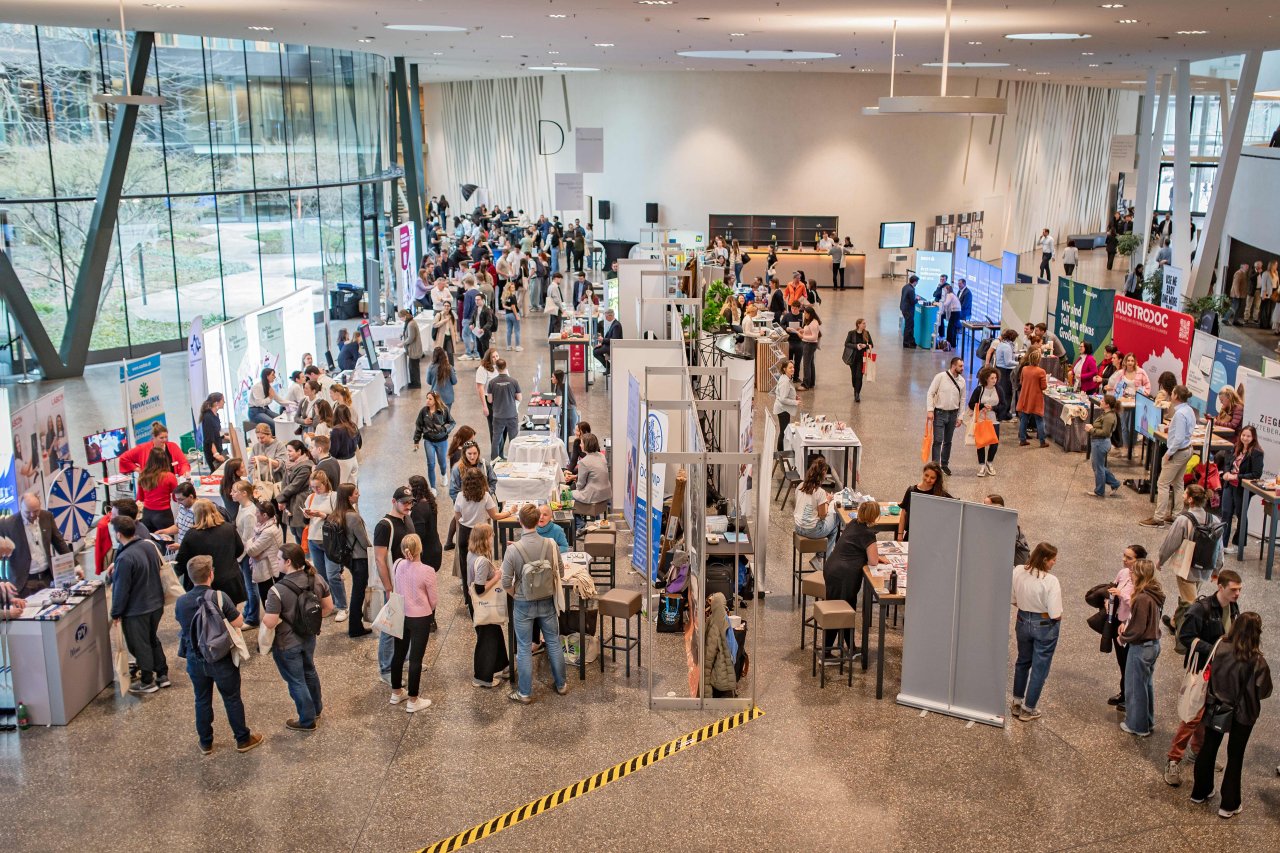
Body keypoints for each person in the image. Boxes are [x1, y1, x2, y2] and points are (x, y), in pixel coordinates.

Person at [1188, 611, 1273, 818]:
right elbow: (1264, 691)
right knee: (1235, 756)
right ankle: (1228, 804)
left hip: (1216, 706)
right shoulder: (1257, 660)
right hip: (1243, 714)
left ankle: (1200, 791)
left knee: (1209, 747)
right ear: (1256, 634)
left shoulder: (1220, 646)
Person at [175, 555, 262, 754]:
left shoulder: (181, 602)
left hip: (195, 658)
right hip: (220, 657)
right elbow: (239, 622)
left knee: (202, 699)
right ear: (211, 574)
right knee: (232, 698)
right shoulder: (219, 597)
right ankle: (242, 739)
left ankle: (206, 742)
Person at [1164, 570, 1244, 786]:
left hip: (1219, 672)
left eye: (1239, 589)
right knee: (1192, 716)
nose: (1237, 593)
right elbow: (1185, 637)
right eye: (1233, 589)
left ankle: (1198, 751)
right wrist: (1216, 650)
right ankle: (1173, 759)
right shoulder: (1201, 609)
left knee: (1207, 714)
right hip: (1201, 672)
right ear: (1221, 586)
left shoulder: (1233, 608)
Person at [263, 543, 334, 731]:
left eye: (278, 559)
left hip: (287, 643)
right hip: (309, 637)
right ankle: (317, 709)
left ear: (288, 562)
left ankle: (307, 720)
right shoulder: (316, 579)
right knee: (310, 671)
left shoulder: (276, 590)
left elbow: (270, 622)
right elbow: (328, 608)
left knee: (296, 680)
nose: (276, 562)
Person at [503, 504, 568, 704]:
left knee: (523, 647)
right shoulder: (551, 544)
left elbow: (506, 582)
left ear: (520, 522)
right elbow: (561, 573)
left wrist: (517, 594)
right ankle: (561, 684)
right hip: (547, 601)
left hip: (523, 603)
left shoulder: (513, 550)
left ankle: (524, 693)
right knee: (554, 642)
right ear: (538, 519)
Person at [109, 516, 169, 694]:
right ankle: (162, 674)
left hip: (137, 609)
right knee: (152, 639)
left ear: (119, 534)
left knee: (139, 644)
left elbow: (122, 589)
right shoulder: (148, 546)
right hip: (156, 603)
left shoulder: (125, 558)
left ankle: (147, 680)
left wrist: (116, 612)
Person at [1157, 484, 1223, 638]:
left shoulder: (1183, 519)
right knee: (1190, 596)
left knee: (1191, 603)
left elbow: (1170, 543)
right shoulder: (1214, 519)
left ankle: (1186, 636)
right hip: (1205, 566)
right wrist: (1217, 569)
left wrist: (1160, 560)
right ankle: (1174, 622)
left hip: (1186, 566)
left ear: (1191, 499)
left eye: (1185, 493)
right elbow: (1219, 547)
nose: (1183, 495)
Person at [819, 500, 883, 661]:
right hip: (844, 575)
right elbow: (873, 561)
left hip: (833, 569)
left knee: (847, 608)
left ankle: (851, 646)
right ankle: (826, 653)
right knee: (841, 610)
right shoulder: (868, 534)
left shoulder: (853, 523)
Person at [1011, 543, 1062, 722]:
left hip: (1022, 620)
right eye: (1053, 559)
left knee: (1022, 661)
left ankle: (1017, 701)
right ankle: (1028, 708)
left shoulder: (1017, 571)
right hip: (1044, 625)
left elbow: (1013, 598)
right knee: (1040, 668)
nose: (1054, 562)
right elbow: (1055, 613)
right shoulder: (1050, 581)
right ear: (1044, 559)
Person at [386, 534, 437, 713]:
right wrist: (427, 610)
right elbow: (433, 600)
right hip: (420, 617)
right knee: (415, 659)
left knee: (398, 654)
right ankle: (413, 700)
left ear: (403, 549)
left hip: (401, 614)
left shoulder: (397, 564)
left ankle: (396, 692)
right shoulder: (427, 571)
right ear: (420, 549)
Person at [372, 487, 416, 683]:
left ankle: (405, 658)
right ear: (393, 501)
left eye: (410, 502)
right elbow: (379, 559)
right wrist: (388, 588)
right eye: (404, 502)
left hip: (409, 581)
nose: (408, 505)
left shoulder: (407, 519)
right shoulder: (384, 525)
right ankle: (386, 669)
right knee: (390, 628)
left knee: (408, 624)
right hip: (394, 585)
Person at [1118, 558, 1164, 737]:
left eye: (1134, 572)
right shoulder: (1154, 593)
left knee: (1135, 687)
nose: (1130, 574)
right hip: (1153, 645)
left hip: (1141, 647)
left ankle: (1137, 725)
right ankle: (1147, 720)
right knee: (1146, 685)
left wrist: (1123, 637)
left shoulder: (1142, 598)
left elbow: (1137, 628)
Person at [466, 523, 512, 688]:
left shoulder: (471, 554)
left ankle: (504, 666)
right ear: (485, 539)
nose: (493, 538)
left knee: (495, 635)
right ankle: (482, 677)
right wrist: (497, 575)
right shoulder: (483, 561)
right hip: (485, 604)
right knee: (487, 640)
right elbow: (479, 588)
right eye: (491, 535)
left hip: (477, 606)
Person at [1142, 385, 1195, 527]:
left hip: (1178, 452)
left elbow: (1178, 439)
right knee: (1178, 483)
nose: (1170, 395)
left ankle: (1158, 518)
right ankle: (1177, 514)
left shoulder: (1179, 414)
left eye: (1172, 393)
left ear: (1176, 396)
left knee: (1163, 483)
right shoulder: (1188, 410)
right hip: (1187, 449)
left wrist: (1169, 453)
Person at [175, 499, 247, 604]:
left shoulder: (192, 535)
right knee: (230, 615)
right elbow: (240, 550)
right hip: (229, 581)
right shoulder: (229, 528)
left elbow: (181, 561)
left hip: (203, 584)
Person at [1105, 544, 1145, 709]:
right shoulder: (1122, 573)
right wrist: (1107, 600)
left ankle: (1129, 696)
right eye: (1124, 556)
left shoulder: (1142, 580)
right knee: (1122, 661)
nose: (1124, 560)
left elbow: (1137, 603)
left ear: (1139, 560)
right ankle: (1124, 692)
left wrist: (1122, 595)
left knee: (1130, 663)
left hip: (1129, 625)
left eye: (1129, 558)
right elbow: (1111, 589)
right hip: (1116, 620)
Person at [302, 470, 339, 620]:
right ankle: (329, 604)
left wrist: (323, 515)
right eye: (313, 487)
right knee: (321, 576)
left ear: (325, 484)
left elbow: (340, 518)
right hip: (313, 539)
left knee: (333, 575)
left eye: (318, 487)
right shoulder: (310, 498)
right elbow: (307, 522)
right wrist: (307, 516)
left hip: (330, 540)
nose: (315, 490)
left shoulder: (334, 497)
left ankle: (342, 605)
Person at [1220, 425, 1264, 550]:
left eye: (1248, 436)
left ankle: (1238, 546)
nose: (1245, 438)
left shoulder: (1257, 453)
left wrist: (1237, 477)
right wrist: (1227, 473)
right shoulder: (1236, 447)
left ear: (1253, 437)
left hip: (1242, 489)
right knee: (1225, 513)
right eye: (1243, 435)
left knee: (1241, 514)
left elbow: (1256, 474)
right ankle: (1222, 544)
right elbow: (1228, 463)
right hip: (1229, 486)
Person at [926, 357, 966, 474]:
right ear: (953, 366)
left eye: (962, 366)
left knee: (948, 441)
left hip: (953, 414)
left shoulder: (962, 381)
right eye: (960, 366)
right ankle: (935, 467)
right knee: (938, 440)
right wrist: (930, 410)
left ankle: (944, 464)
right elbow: (930, 393)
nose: (962, 368)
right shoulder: (940, 377)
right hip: (939, 413)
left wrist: (960, 416)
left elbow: (963, 399)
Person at [793, 458, 838, 559]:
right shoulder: (820, 492)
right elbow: (823, 515)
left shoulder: (800, 486)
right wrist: (827, 501)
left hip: (798, 527)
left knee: (832, 526)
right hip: (812, 530)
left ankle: (821, 556)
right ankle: (821, 557)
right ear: (822, 475)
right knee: (835, 520)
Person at [896, 463, 952, 543]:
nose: (928, 479)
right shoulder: (911, 490)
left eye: (932, 478)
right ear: (923, 473)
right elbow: (903, 514)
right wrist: (900, 535)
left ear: (937, 479)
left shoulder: (940, 494)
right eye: (926, 475)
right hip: (912, 536)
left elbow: (955, 507)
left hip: (932, 538)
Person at [117, 421, 191, 476]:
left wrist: (185, 472)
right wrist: (139, 470)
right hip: (151, 486)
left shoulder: (173, 446)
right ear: (154, 437)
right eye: (161, 438)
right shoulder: (142, 448)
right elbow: (123, 458)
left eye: (166, 437)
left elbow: (183, 463)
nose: (165, 440)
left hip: (171, 483)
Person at [413, 391, 455, 488]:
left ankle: (444, 475)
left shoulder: (444, 410)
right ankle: (433, 487)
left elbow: (452, 423)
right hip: (428, 441)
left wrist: (444, 429)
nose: (427, 400)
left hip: (441, 441)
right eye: (427, 398)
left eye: (430, 399)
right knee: (431, 464)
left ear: (436, 400)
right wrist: (416, 440)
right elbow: (419, 426)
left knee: (442, 463)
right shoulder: (423, 411)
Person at [969, 367, 1005, 478]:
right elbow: (971, 404)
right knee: (981, 443)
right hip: (981, 420)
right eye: (992, 378)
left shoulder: (999, 389)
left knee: (994, 443)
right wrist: (982, 405)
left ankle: (989, 462)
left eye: (995, 378)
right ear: (986, 379)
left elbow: (1004, 405)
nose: (994, 380)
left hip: (994, 420)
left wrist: (993, 408)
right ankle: (981, 465)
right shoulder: (979, 390)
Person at [136, 444, 179, 533]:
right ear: (165, 460)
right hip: (163, 514)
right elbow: (176, 498)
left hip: (147, 514)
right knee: (167, 544)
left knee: (151, 542)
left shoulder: (143, 475)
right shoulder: (169, 476)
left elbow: (140, 498)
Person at [278, 440, 314, 543]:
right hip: (290, 502)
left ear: (299, 451)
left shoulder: (305, 467)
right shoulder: (289, 465)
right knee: (294, 532)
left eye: (290, 451)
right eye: (287, 451)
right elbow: (284, 482)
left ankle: (306, 557)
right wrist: (283, 500)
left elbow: (294, 486)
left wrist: (280, 499)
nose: (287, 453)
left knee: (301, 533)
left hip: (299, 502)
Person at [486, 357, 522, 460]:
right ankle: (515, 460)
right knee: (514, 440)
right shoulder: (513, 381)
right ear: (506, 366)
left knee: (496, 440)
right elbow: (519, 398)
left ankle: (494, 461)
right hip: (512, 415)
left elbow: (489, 400)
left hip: (498, 416)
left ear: (496, 368)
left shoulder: (492, 382)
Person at [1086, 394, 1122, 497]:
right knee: (1098, 466)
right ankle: (1115, 483)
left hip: (1100, 443)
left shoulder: (1109, 417)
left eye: (1102, 401)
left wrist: (1091, 430)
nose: (1100, 402)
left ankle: (1099, 491)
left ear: (1107, 405)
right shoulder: (1107, 414)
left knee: (1099, 468)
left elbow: (1105, 432)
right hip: (1098, 442)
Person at [406, 474, 443, 572]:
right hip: (435, 549)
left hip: (427, 555)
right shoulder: (429, 501)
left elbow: (418, 535)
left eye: (409, 487)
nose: (407, 489)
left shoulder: (418, 509)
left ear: (415, 489)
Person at [565, 433, 611, 507]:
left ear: (586, 445)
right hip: (605, 493)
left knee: (565, 495)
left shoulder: (584, 462)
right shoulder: (601, 456)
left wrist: (575, 482)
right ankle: (593, 516)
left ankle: (577, 518)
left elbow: (580, 485)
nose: (580, 445)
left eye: (581, 443)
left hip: (592, 495)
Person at [1016, 348, 1049, 448]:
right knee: (1039, 419)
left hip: (1025, 396)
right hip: (1036, 398)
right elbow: (1043, 387)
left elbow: (1021, 382)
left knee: (1024, 419)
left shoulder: (1024, 369)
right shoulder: (1041, 371)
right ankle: (1042, 441)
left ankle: (1022, 439)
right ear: (1039, 360)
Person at [328, 404, 361, 485]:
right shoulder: (353, 426)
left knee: (342, 488)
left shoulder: (336, 431)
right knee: (353, 487)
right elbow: (359, 443)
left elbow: (334, 451)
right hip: (353, 459)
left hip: (342, 463)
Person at [989, 329, 1018, 421]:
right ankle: (1004, 414)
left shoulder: (1001, 344)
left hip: (1001, 370)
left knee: (1002, 393)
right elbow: (1008, 362)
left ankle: (1002, 413)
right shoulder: (1007, 347)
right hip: (1005, 372)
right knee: (1007, 394)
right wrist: (1019, 363)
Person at [844, 318, 873, 403]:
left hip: (862, 358)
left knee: (859, 376)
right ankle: (855, 388)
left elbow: (871, 344)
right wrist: (857, 346)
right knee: (854, 376)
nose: (865, 325)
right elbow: (846, 343)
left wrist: (865, 346)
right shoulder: (851, 333)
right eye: (863, 323)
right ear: (858, 325)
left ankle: (857, 393)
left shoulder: (866, 333)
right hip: (853, 358)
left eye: (865, 323)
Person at [772, 359, 798, 451]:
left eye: (793, 367)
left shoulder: (786, 378)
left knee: (784, 431)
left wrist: (795, 397)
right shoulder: (785, 381)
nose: (793, 369)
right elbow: (783, 399)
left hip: (784, 409)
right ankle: (780, 452)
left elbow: (786, 393)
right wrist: (795, 402)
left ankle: (781, 452)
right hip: (783, 410)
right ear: (784, 369)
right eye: (790, 368)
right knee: (783, 431)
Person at [200, 393, 228, 469]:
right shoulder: (208, 417)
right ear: (216, 403)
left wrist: (227, 437)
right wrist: (216, 454)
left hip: (218, 447)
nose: (224, 402)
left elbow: (217, 432)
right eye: (222, 400)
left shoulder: (216, 415)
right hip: (212, 451)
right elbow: (209, 438)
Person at [399, 308, 424, 388]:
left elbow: (411, 338)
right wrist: (403, 335)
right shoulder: (410, 322)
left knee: (413, 367)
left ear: (404, 316)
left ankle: (416, 383)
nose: (401, 319)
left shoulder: (411, 324)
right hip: (414, 349)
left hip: (414, 349)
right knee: (413, 366)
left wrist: (403, 343)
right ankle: (414, 382)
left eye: (401, 318)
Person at [797, 306, 821, 389]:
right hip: (808, 344)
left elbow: (814, 337)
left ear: (810, 314)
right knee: (810, 364)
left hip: (809, 344)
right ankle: (811, 382)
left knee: (806, 364)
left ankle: (805, 384)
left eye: (806, 313)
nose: (804, 315)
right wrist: (803, 330)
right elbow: (809, 331)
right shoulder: (810, 321)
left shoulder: (814, 323)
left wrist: (802, 336)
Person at [593, 308, 623, 373]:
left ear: (611, 316)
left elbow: (614, 340)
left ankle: (609, 367)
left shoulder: (616, 325)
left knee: (595, 352)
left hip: (613, 347)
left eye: (606, 317)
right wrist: (602, 343)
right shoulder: (613, 323)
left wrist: (603, 340)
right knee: (595, 350)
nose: (605, 318)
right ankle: (608, 367)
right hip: (609, 345)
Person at [899, 275, 919, 348]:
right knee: (909, 326)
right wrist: (917, 298)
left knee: (910, 325)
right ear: (914, 282)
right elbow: (912, 302)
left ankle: (911, 341)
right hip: (908, 310)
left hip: (903, 308)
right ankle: (906, 342)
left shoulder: (905, 286)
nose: (917, 284)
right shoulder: (911, 290)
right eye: (917, 282)